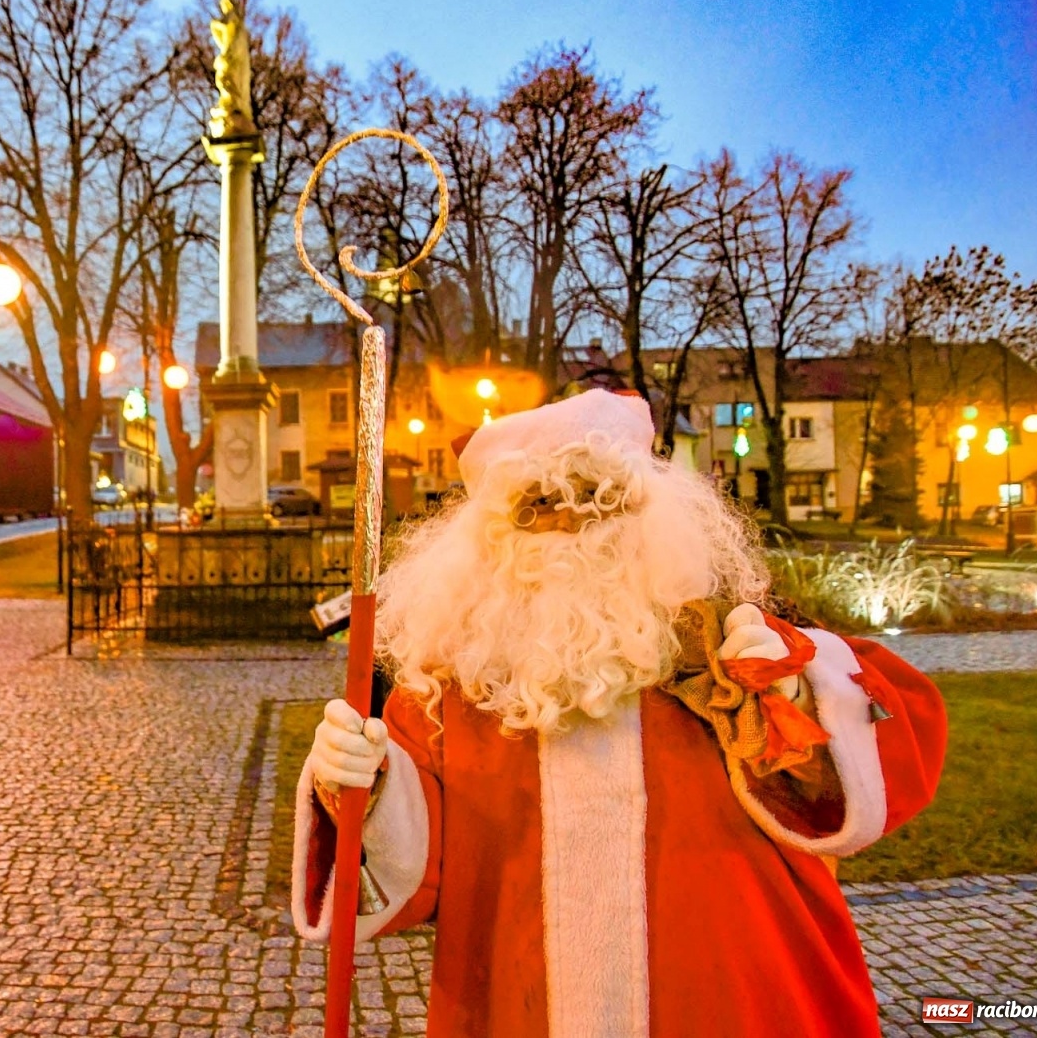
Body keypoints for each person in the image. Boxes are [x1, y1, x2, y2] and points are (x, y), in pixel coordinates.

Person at [292, 389, 946, 1037]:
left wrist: (800, 691)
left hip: (734, 997)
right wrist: (362, 784)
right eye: (538, 505)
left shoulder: (726, 638)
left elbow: (894, 741)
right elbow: (414, 871)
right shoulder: (444, 691)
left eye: (598, 497)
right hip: (519, 1003)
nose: (569, 522)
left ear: (649, 513)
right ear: (491, 538)